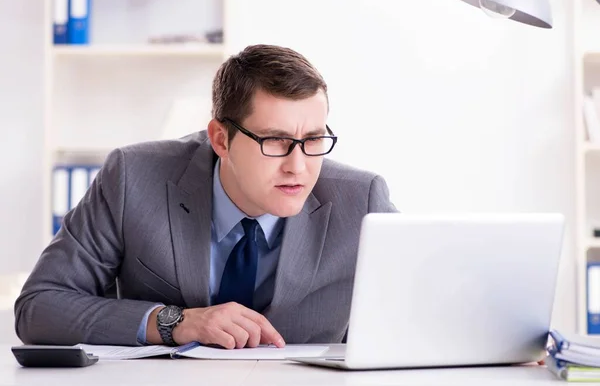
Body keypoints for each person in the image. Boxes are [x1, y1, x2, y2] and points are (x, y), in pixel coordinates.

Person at [14, 44, 397, 349]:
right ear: (220, 139)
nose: (297, 166)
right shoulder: (133, 177)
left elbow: (429, 310)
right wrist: (174, 321)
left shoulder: (362, 200)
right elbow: (40, 307)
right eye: (275, 140)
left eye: (313, 139)